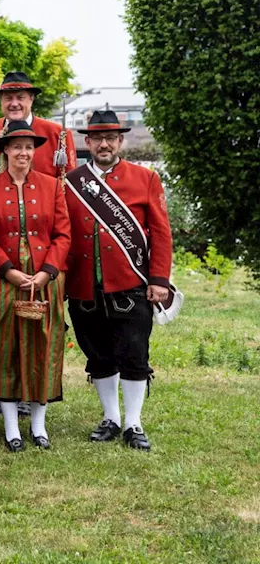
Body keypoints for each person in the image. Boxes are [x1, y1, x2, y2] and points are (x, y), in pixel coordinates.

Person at [62, 110, 173, 451]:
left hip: (131, 283)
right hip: (84, 285)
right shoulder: (72, 182)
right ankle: (110, 417)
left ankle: (134, 423)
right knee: (98, 354)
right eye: (98, 138)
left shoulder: (145, 178)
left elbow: (160, 232)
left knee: (134, 353)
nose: (105, 144)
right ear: (88, 142)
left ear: (120, 141)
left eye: (111, 138)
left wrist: (159, 279)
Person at [0, 120, 72, 451]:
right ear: (5, 150)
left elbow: (62, 234)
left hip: (43, 280)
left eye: (29, 147)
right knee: (4, 350)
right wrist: (8, 270)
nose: (23, 153)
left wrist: (47, 272)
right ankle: (12, 427)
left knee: (42, 347)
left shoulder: (52, 185)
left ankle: (39, 426)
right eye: (16, 147)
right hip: (3, 279)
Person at [0, 72, 77, 185]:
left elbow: (70, 183)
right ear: (1, 101)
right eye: (8, 98)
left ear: (31, 99)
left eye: (20, 98)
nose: (14, 104)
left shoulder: (58, 134)